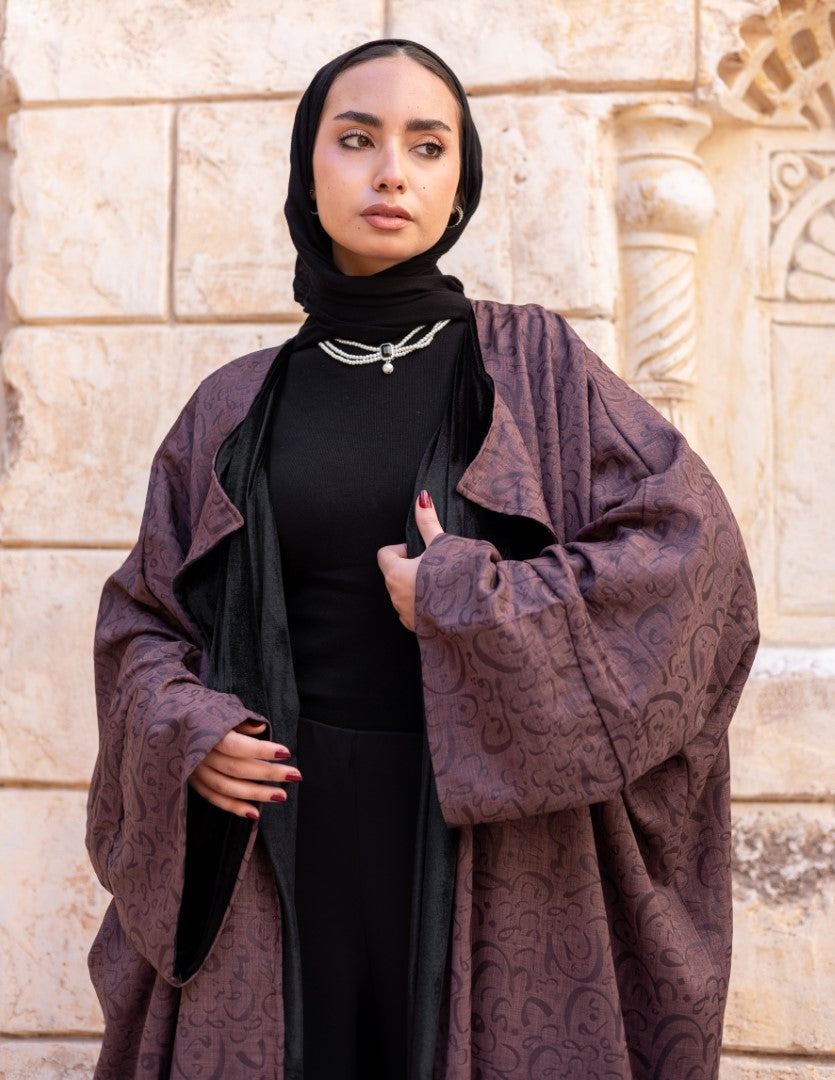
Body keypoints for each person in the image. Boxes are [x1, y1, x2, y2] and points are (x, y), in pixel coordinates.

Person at [86, 37, 759, 1080]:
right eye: (355, 139)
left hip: (488, 836)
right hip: (280, 833)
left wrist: (467, 597)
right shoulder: (233, 405)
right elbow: (141, 622)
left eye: (426, 145)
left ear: (459, 184)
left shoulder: (534, 367)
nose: (390, 170)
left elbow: (693, 567)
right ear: (310, 168)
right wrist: (191, 730)